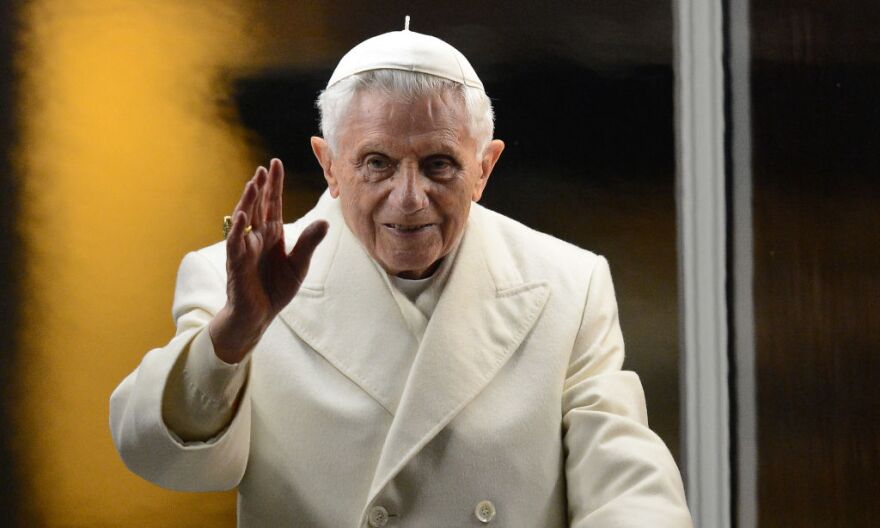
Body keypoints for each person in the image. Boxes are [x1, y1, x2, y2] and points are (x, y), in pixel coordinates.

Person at [110, 23, 693, 528]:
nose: (409, 199)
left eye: (439, 164)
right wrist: (234, 335)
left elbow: (622, 478)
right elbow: (163, 460)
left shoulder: (570, 283)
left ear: (484, 166)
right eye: (377, 164)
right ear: (329, 166)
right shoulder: (227, 279)